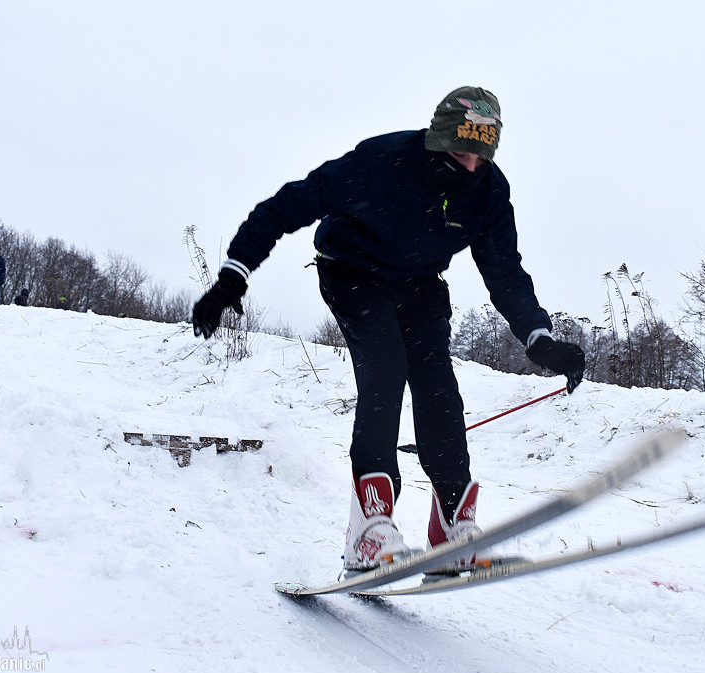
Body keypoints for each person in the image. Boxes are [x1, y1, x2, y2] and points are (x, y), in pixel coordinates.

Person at [192, 86, 585, 574]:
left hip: (418, 285)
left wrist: (539, 337)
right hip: (352, 271)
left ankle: (453, 523)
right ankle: (370, 529)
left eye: (481, 156)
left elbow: (504, 271)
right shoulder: (382, 161)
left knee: (438, 385)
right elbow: (285, 207)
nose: (470, 167)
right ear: (440, 140)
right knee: (385, 367)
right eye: (461, 152)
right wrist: (234, 274)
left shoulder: (488, 191)